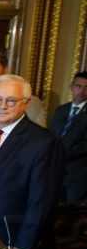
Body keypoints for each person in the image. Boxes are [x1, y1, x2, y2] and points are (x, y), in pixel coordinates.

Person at [0, 74, 63, 249]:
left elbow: (41, 202)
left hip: (13, 242)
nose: (2, 106)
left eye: (11, 100)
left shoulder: (44, 143)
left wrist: (23, 246)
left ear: (26, 103)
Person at [47, 71, 87, 202]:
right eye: (78, 86)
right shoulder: (61, 110)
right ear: (71, 87)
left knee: (72, 214)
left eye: (86, 87)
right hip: (55, 171)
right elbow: (50, 134)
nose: (82, 90)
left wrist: (62, 153)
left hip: (77, 174)